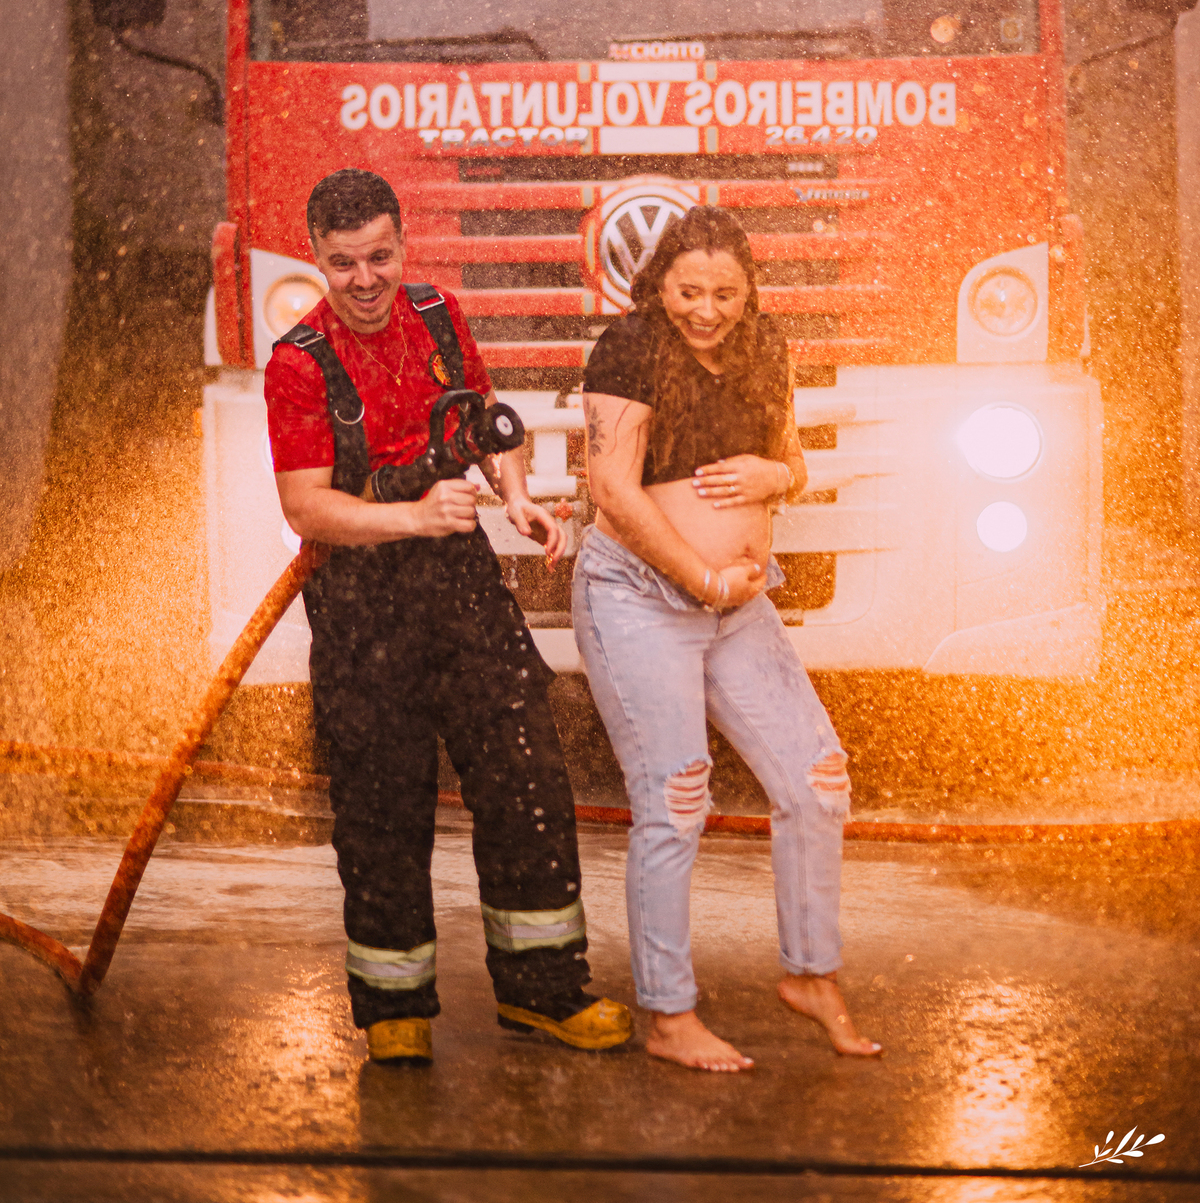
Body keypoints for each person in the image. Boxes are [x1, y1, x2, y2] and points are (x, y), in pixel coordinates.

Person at [264, 168, 631, 1066]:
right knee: (382, 805)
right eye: (342, 262)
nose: (364, 280)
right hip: (360, 602)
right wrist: (410, 517)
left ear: (403, 247)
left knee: (525, 780)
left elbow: (476, 416)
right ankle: (395, 1010)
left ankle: (543, 992)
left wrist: (518, 498)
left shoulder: (435, 315)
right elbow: (308, 508)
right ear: (317, 257)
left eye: (379, 257)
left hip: (462, 587)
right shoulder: (297, 364)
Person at [573, 205, 881, 1072]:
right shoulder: (629, 348)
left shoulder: (765, 347)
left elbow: (795, 462)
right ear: (658, 285)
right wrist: (700, 578)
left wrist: (774, 474)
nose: (705, 311)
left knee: (818, 779)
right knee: (676, 799)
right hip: (640, 597)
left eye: (724, 294)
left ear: (749, 294)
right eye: (688, 291)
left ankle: (812, 973)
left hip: (739, 607)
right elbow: (612, 489)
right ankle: (669, 1014)